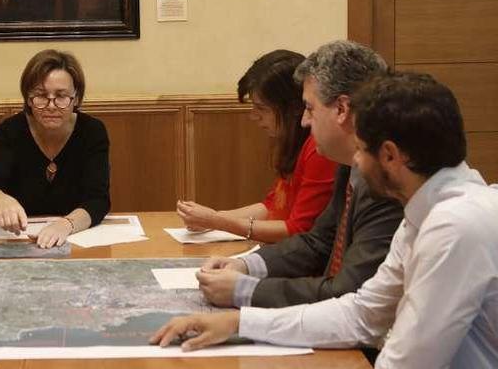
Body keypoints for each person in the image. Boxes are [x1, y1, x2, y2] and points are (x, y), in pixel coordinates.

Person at [151, 71, 498, 368]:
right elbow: (361, 314)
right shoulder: (426, 213)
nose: (356, 162)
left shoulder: (454, 226)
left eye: (361, 149)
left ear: (390, 155)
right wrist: (240, 322)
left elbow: (407, 362)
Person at [195, 40, 404, 309]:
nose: (304, 120)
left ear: (342, 109)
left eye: (309, 108)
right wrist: (245, 265)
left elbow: (348, 293)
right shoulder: (348, 163)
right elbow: (317, 242)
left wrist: (245, 291)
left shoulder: (384, 183)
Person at [177, 50, 337, 243]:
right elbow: (271, 207)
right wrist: (211, 218)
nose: (254, 116)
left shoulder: (318, 149)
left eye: (261, 108)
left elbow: (298, 230)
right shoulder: (293, 143)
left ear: (293, 107)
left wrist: (217, 221)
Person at [0, 49, 110, 248]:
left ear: (76, 98)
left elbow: (98, 200)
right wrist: (2, 201)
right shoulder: (11, 130)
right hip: (19, 241)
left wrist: (66, 225)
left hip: (75, 239)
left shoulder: (92, 131)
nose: (51, 105)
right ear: (28, 99)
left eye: (61, 96)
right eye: (41, 95)